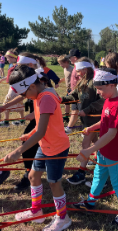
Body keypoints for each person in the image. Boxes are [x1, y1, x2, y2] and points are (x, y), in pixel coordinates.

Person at [4, 64, 72, 230]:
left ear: (32, 86)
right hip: (45, 145)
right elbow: (41, 126)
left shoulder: (46, 98)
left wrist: (18, 151)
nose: (23, 97)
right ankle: (36, 211)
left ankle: (63, 218)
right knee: (33, 176)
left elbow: (41, 131)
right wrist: (30, 133)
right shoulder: (39, 93)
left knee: (54, 183)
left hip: (56, 147)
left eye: (23, 93)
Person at [73, 67, 118, 227]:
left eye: (100, 88)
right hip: (103, 151)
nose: (98, 92)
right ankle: (91, 202)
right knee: (98, 177)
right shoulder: (108, 100)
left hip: (114, 153)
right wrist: (92, 128)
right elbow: (105, 121)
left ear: (112, 85)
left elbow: (111, 134)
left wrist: (88, 150)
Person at [0, 53, 51, 191]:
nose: (18, 68)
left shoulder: (40, 79)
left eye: (20, 66)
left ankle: (32, 172)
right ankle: (32, 170)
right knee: (30, 142)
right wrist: (5, 106)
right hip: (38, 115)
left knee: (32, 144)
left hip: (44, 118)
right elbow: (23, 96)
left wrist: (35, 113)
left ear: (29, 65)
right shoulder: (29, 78)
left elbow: (51, 97)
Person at [61, 57, 104, 185]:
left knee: (86, 145)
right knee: (96, 142)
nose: (77, 73)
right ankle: (101, 163)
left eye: (78, 71)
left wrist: (88, 109)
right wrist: (61, 99)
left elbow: (102, 100)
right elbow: (74, 95)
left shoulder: (95, 81)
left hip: (94, 119)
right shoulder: (82, 81)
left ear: (85, 69)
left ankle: (81, 172)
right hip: (86, 120)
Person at [0, 48, 25, 127]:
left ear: (13, 57)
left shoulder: (16, 66)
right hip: (18, 88)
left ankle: (6, 122)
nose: (7, 59)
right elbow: (9, 76)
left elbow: (12, 78)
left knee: (5, 105)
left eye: (8, 58)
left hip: (14, 89)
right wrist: (2, 79)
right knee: (19, 104)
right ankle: (22, 121)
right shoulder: (15, 65)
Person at [64, 49, 81, 134]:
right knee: (74, 110)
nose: (69, 59)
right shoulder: (75, 66)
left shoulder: (80, 67)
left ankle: (87, 129)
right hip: (75, 93)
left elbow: (82, 81)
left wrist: (75, 91)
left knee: (81, 111)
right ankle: (69, 128)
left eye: (70, 58)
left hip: (80, 93)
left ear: (75, 57)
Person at [57, 55, 73, 123]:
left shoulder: (72, 69)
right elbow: (66, 77)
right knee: (66, 103)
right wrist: (60, 80)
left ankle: (74, 116)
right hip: (68, 89)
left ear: (66, 62)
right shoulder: (65, 69)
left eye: (61, 63)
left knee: (74, 104)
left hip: (72, 89)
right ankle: (66, 117)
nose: (60, 65)